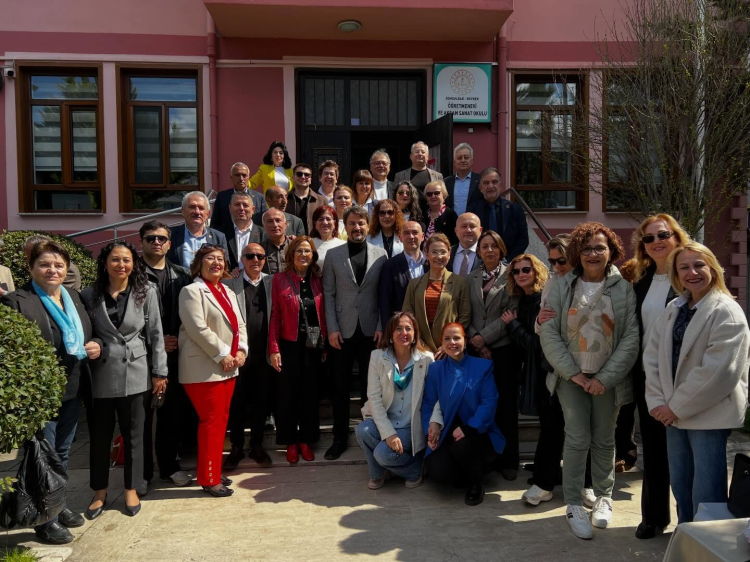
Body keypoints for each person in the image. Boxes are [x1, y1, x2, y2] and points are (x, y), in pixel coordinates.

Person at [540, 222, 639, 540]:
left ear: (611, 251)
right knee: (577, 437)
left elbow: (631, 337)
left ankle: (604, 497)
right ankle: (573, 503)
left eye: (600, 247)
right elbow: (549, 334)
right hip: (571, 377)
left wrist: (605, 378)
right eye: (586, 248)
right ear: (577, 253)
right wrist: (574, 373)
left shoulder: (623, 288)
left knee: (605, 439)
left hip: (608, 379)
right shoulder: (562, 287)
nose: (593, 254)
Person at [1, 241, 100, 544]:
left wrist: (96, 344)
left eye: (58, 265)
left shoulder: (73, 297)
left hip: (72, 386)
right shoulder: (18, 301)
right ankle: (45, 519)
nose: (52, 270)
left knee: (62, 452)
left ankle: (58, 503)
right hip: (41, 395)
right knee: (43, 456)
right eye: (44, 264)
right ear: (31, 267)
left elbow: (90, 332)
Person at [645, 241, 750, 524]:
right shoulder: (674, 308)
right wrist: (657, 402)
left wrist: (674, 407)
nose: (692, 272)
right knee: (681, 485)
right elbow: (652, 357)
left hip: (707, 414)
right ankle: (686, 537)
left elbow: (719, 371)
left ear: (713, 269)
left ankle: (706, 542)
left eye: (699, 265)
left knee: (706, 492)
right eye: (684, 267)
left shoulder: (726, 311)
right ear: (676, 275)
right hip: (671, 413)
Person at [81, 241, 168, 519]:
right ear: (105, 263)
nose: (121, 265)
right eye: (116, 259)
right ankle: (99, 492)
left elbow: (156, 334)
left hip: (137, 372)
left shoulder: (146, 291)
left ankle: (131, 488)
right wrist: (94, 344)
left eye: (127, 260)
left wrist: (160, 372)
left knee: (134, 436)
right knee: (100, 437)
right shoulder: (89, 294)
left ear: (134, 264)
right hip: (102, 375)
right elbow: (86, 332)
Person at [628, 214, 689, 538]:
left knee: (684, 451)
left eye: (662, 235)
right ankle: (654, 516)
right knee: (652, 448)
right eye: (648, 238)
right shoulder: (642, 280)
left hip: (682, 377)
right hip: (647, 376)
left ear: (676, 236)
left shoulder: (690, 275)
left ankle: (689, 521)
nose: (656, 242)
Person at [527, 234, 595, 509]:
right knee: (551, 427)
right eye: (552, 261)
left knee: (584, 429)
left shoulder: (592, 282)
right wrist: (539, 320)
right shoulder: (552, 283)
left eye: (561, 261)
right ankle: (544, 484)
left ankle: (586, 485)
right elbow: (541, 326)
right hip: (555, 367)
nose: (556, 267)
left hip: (587, 365)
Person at [178, 245, 248, 497]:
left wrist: (242, 351)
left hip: (228, 367)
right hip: (204, 369)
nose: (216, 262)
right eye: (210, 258)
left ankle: (214, 471)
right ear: (199, 263)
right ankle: (209, 478)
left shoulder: (227, 290)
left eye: (220, 259)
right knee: (211, 423)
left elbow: (240, 324)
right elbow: (198, 329)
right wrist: (224, 354)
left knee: (220, 423)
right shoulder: (191, 291)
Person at [323, 206, 388, 460]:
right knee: (339, 387)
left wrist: (382, 326)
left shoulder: (381, 254)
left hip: (372, 331)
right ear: (345, 226)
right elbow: (329, 294)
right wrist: (332, 328)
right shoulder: (333, 255)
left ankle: (369, 435)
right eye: (352, 223)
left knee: (369, 388)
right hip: (342, 331)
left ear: (367, 225)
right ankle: (339, 438)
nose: (357, 228)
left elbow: (383, 295)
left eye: (361, 223)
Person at [422, 323, 505, 506]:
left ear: (465, 341)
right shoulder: (436, 369)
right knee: (439, 472)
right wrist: (430, 426)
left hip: (476, 430)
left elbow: (489, 401)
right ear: (442, 343)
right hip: (447, 429)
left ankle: (476, 483)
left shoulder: (482, 366)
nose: (452, 342)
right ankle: (463, 473)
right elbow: (429, 402)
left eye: (457, 338)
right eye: (447, 339)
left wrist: (470, 428)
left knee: (463, 446)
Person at [138, 221, 194, 489]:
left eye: (161, 238)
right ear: (142, 242)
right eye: (150, 238)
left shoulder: (182, 275)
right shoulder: (131, 274)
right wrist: (156, 343)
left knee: (171, 415)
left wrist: (177, 338)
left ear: (170, 244)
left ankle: (169, 467)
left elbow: (191, 313)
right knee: (142, 419)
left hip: (174, 355)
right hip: (142, 356)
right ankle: (142, 474)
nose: (156, 242)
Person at [356, 312, 435, 489]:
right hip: (387, 421)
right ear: (390, 335)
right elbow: (374, 397)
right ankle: (378, 473)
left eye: (408, 328)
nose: (403, 333)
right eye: (398, 329)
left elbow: (434, 397)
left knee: (382, 453)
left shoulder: (427, 359)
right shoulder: (377, 357)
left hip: (410, 425)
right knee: (363, 430)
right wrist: (389, 434)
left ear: (415, 334)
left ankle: (415, 470)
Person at [268, 236, 327, 464]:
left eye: (307, 251)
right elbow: (275, 315)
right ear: (291, 254)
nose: (304, 255)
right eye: (299, 251)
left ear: (313, 255)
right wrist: (274, 348)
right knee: (287, 395)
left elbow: (324, 313)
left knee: (310, 395)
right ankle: (290, 441)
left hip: (312, 345)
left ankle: (306, 440)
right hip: (288, 344)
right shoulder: (279, 280)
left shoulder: (318, 281)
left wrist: (323, 345)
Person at [466, 230, 518, 479]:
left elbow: (511, 313)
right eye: (484, 246)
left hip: (503, 350)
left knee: (506, 406)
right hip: (476, 352)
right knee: (481, 406)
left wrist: (484, 338)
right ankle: (486, 459)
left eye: (494, 246)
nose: (489, 250)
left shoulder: (512, 275)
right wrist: (475, 339)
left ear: (501, 250)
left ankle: (509, 461)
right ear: (478, 251)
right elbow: (464, 312)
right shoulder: (471, 277)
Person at [224, 243, 274, 468]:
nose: (255, 260)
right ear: (242, 259)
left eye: (260, 256)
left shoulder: (272, 282)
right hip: (238, 354)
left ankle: (257, 445)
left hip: (264, 353)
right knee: (237, 402)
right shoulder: (229, 284)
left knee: (261, 401)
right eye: (250, 256)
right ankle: (236, 447)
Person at [402, 233, 470, 356]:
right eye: (434, 252)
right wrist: (420, 344)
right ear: (426, 254)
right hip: (420, 349)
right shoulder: (414, 283)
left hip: (450, 349)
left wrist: (448, 343)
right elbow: (407, 315)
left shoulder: (460, 282)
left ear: (449, 254)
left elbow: (465, 316)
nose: (439, 256)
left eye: (443, 252)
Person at [467, 167, 528, 261]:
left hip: (510, 262)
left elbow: (523, 239)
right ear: (480, 188)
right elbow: (469, 238)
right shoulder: (472, 211)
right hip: (481, 262)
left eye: (494, 182)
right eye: (486, 183)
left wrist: (508, 262)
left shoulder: (515, 209)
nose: (490, 186)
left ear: (500, 185)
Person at [378, 221, 428, 331]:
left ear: (423, 236)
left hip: (428, 328)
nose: (411, 236)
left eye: (415, 232)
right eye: (406, 233)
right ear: (400, 238)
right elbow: (385, 301)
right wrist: (388, 331)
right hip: (402, 330)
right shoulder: (390, 265)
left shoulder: (431, 264)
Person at [167, 191, 228, 269]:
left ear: (208, 214)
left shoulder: (218, 237)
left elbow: (225, 265)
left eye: (201, 208)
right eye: (192, 207)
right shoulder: (170, 234)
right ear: (182, 211)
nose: (197, 212)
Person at [210, 162, 268, 234]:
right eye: (237, 175)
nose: (241, 179)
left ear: (248, 177)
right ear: (231, 177)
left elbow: (264, 223)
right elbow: (215, 224)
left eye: (244, 175)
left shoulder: (259, 198)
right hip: (228, 238)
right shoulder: (222, 197)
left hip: (253, 238)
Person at [220, 191, 266, 272]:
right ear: (230, 208)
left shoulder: (264, 234)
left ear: (253, 209)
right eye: (237, 204)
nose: (241, 208)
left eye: (245, 205)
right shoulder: (220, 234)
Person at [444, 143, 482, 215]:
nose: (463, 160)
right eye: (459, 158)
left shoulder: (480, 180)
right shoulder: (446, 182)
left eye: (466, 157)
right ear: (455, 162)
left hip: (474, 220)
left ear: (472, 160)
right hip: (453, 221)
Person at [286, 163, 323, 235]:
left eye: (307, 175)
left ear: (310, 179)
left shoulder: (321, 200)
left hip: (313, 240)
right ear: (293, 177)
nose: (303, 177)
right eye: (299, 174)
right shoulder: (285, 199)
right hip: (290, 240)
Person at [424, 180, 459, 247]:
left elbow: (455, 240)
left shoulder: (451, 215)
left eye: (437, 193)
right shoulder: (422, 215)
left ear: (444, 195)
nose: (433, 196)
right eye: (429, 194)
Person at [260, 208, 291, 275]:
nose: (275, 225)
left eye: (278, 220)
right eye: (270, 221)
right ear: (263, 226)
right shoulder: (259, 250)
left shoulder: (295, 246)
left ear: (285, 224)